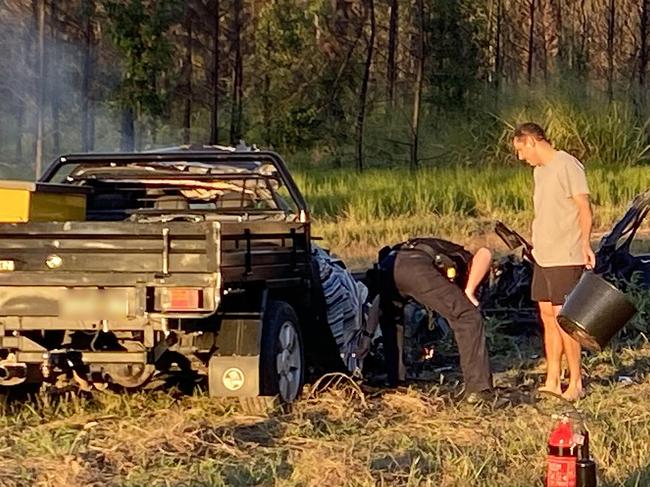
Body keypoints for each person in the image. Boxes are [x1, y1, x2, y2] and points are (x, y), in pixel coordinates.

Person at [512, 122, 595, 401]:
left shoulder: (567, 165)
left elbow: (584, 208)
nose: (521, 157)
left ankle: (576, 382)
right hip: (544, 255)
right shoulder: (539, 172)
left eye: (521, 150)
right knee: (547, 317)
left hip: (566, 253)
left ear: (533, 142)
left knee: (565, 319)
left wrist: (585, 244)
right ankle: (552, 378)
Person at [356, 237, 495, 403]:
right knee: (468, 316)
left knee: (391, 318)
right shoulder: (465, 259)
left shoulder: (440, 250)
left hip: (390, 263)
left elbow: (380, 301)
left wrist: (366, 337)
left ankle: (396, 381)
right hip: (417, 268)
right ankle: (479, 391)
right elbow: (485, 254)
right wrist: (470, 291)